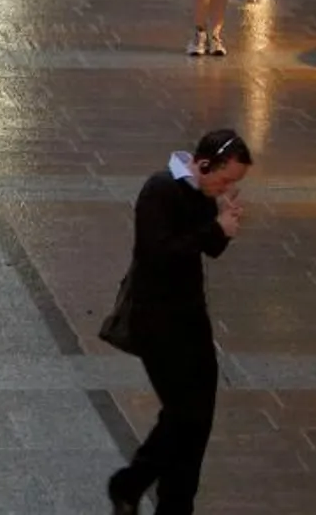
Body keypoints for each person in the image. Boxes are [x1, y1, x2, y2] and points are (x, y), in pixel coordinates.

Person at [107, 130, 251, 515]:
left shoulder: (202, 194)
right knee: (184, 414)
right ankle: (134, 483)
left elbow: (207, 247)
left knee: (197, 418)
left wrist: (225, 226)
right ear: (203, 164)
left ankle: (169, 500)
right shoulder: (160, 190)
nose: (227, 187)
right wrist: (214, 228)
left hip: (191, 320)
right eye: (225, 178)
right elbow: (159, 253)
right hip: (156, 323)